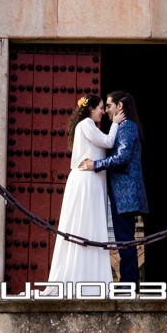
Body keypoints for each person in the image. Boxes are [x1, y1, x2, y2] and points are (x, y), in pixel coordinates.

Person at [47, 94, 116, 284]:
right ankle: (83, 279)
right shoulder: (86, 124)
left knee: (90, 228)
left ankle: (89, 278)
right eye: (100, 108)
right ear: (90, 109)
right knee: (86, 228)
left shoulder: (87, 126)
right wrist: (117, 122)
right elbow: (108, 142)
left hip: (91, 182)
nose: (102, 112)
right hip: (87, 183)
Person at [79, 90, 147, 282]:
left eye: (109, 106)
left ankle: (129, 284)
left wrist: (95, 165)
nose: (107, 110)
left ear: (120, 107)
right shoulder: (125, 127)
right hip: (122, 193)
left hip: (125, 194)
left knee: (125, 238)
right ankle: (129, 283)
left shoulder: (127, 127)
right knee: (124, 238)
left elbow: (122, 157)